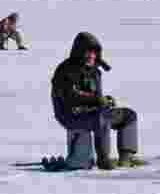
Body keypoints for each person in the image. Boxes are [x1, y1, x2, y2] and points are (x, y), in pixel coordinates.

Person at [51, 32, 142, 170]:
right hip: (70, 115)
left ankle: (126, 157)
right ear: (79, 51)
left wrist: (105, 102)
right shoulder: (66, 70)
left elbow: (95, 97)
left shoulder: (95, 72)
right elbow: (71, 96)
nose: (92, 56)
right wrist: (97, 100)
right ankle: (103, 159)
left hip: (92, 113)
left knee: (128, 116)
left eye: (94, 52)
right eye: (88, 52)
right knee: (101, 119)